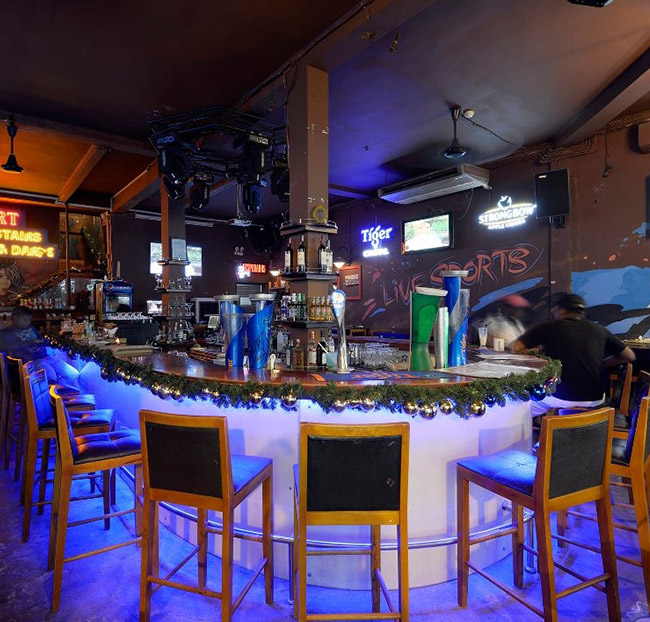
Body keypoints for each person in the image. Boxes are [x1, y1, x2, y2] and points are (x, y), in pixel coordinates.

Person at [511, 293, 635, 415]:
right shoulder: (599, 329)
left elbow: (515, 348)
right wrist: (602, 364)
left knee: (519, 406)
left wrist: (536, 352)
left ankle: (541, 427)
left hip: (559, 397)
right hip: (595, 399)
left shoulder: (548, 327)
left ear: (562, 310)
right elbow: (630, 356)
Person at [0, 305, 80, 387]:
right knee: (51, 377)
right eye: (24, 319)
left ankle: (57, 389)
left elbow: (41, 340)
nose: (27, 322)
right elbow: (10, 349)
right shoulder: (7, 333)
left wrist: (48, 342)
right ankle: (52, 390)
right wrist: (30, 343)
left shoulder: (31, 328)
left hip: (46, 357)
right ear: (15, 318)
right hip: (32, 362)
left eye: (29, 320)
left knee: (74, 374)